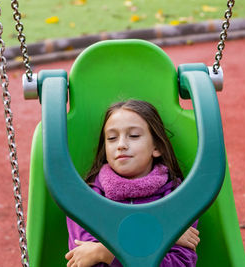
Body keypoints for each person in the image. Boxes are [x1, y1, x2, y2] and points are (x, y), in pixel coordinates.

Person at [65, 100, 200, 267]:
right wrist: (159, 233)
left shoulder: (177, 196)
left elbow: (180, 263)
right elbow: (86, 260)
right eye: (112, 138)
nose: (121, 145)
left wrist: (104, 252)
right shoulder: (86, 199)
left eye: (134, 136)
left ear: (156, 147)